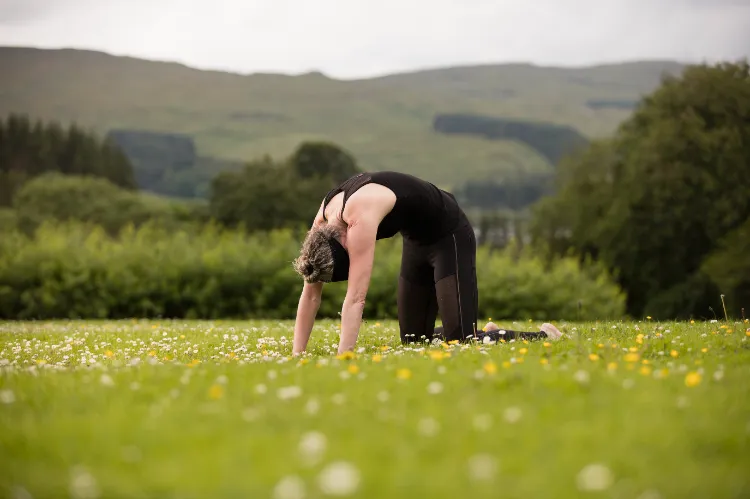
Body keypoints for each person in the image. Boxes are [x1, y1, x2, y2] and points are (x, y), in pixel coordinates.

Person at [291, 171, 562, 355]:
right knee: (413, 341)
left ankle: (543, 336)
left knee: (461, 341)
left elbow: (356, 298)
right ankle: (482, 330)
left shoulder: (358, 220)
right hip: (415, 241)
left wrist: (344, 360)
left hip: (450, 233)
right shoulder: (322, 223)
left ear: (344, 242)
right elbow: (310, 294)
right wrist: (297, 355)